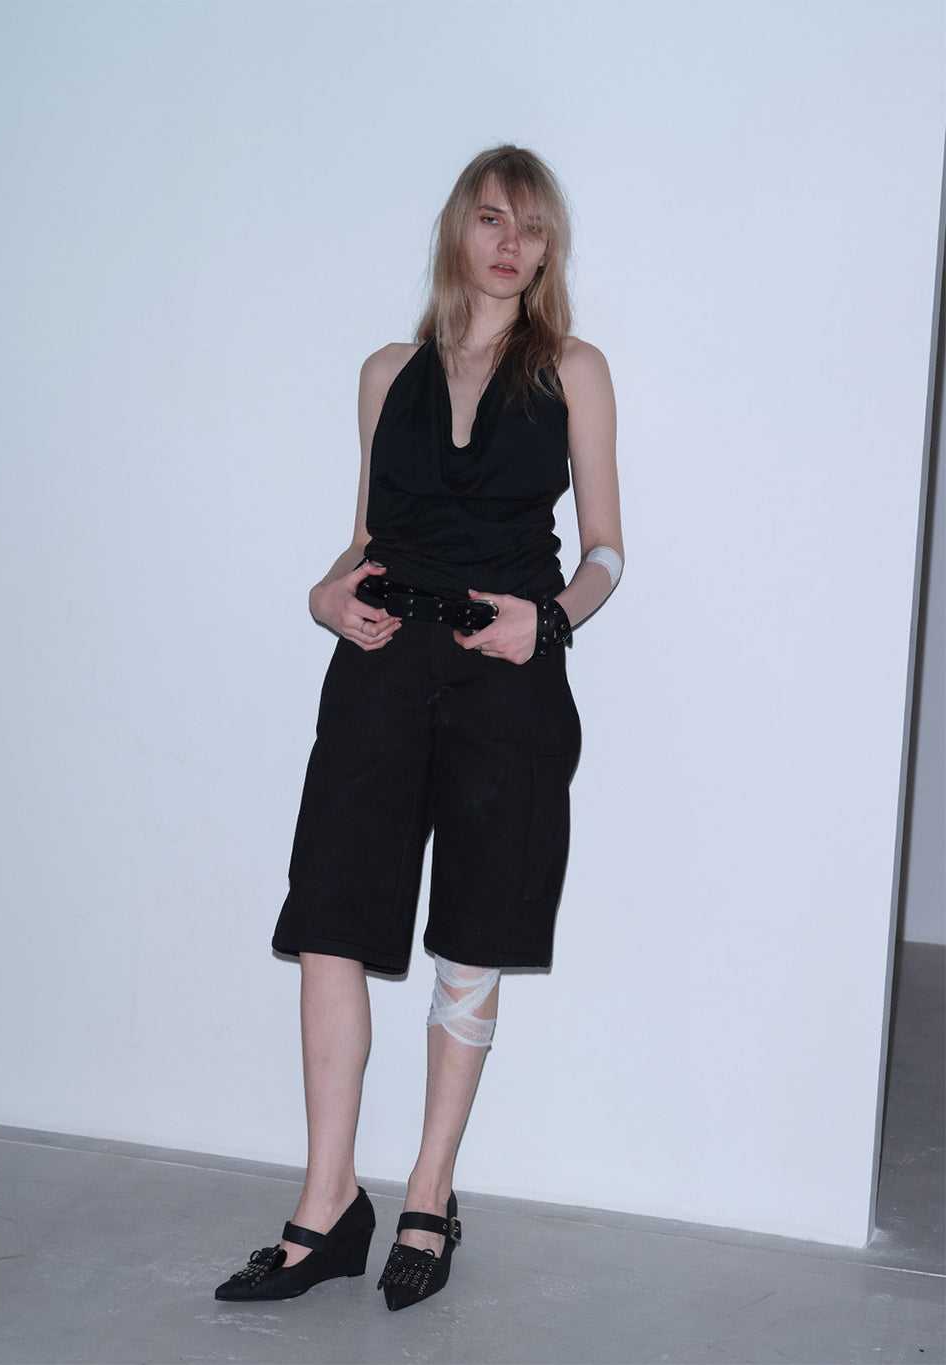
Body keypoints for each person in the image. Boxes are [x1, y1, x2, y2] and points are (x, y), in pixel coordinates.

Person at [215, 144, 623, 1312]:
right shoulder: (385, 371)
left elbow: (606, 547)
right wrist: (322, 592)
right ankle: (326, 1204)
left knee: (475, 930)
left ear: (547, 251)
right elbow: (364, 533)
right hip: (381, 662)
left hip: (505, 669)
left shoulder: (573, 370)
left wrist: (548, 619)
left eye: (532, 228)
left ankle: (430, 1194)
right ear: (459, 228)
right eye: (492, 219)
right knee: (331, 916)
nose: (511, 244)